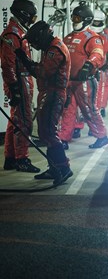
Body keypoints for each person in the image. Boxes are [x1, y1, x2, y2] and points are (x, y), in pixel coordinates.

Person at [14, 21, 73, 185]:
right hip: (49, 92)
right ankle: (54, 168)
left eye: (34, 41)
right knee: (45, 132)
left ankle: (63, 168)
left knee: (49, 132)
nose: (33, 45)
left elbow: (43, 72)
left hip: (53, 93)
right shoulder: (52, 47)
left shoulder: (55, 50)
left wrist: (25, 61)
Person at [58, 2, 108, 149]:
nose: (75, 21)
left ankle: (101, 136)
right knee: (67, 109)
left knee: (88, 109)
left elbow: (97, 54)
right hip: (70, 81)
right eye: (73, 18)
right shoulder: (68, 38)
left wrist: (88, 66)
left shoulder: (92, 38)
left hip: (85, 81)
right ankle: (63, 138)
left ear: (86, 20)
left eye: (77, 18)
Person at [0, 0, 40, 173]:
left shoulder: (19, 32)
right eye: (32, 17)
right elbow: (8, 64)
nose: (33, 20)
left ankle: (10, 157)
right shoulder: (12, 34)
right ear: (24, 15)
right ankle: (22, 159)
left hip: (22, 79)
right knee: (23, 121)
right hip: (18, 81)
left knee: (15, 120)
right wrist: (14, 87)